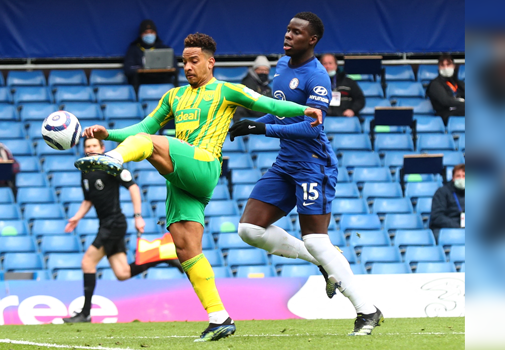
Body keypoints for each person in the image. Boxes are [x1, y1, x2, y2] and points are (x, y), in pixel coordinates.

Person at [74, 33, 322, 341]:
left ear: (210, 61)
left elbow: (268, 103)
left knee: (148, 145)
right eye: (184, 62)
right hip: (180, 174)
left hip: (203, 164)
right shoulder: (173, 97)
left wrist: (304, 110)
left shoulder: (227, 90)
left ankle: (113, 161)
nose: (188, 67)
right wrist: (107, 132)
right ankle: (219, 318)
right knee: (184, 247)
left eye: (194, 61)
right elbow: (143, 128)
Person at [228, 12, 382, 336]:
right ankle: (320, 261)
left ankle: (366, 311)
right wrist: (251, 116)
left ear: (312, 40)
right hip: (286, 163)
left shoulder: (318, 76)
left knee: (316, 238)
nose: (287, 36)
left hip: (313, 163)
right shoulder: (282, 68)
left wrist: (262, 129)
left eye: (296, 33)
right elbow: (281, 107)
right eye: (287, 30)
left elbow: (313, 127)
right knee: (249, 230)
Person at [62, 137, 182, 323]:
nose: (91, 148)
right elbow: (88, 200)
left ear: (102, 148)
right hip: (106, 224)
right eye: (88, 146)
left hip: (114, 224)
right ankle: (163, 256)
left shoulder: (112, 166)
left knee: (87, 263)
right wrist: (77, 218)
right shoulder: (85, 171)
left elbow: (133, 188)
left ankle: (85, 314)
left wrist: (138, 216)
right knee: (122, 273)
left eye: (95, 145)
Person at [123, 19, 177, 87]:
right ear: (141, 34)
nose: (149, 35)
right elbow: (128, 69)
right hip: (142, 83)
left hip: (163, 81)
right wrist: (140, 69)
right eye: (146, 32)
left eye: (151, 32)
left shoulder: (165, 49)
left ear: (155, 33)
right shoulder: (133, 49)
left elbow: (175, 68)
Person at [430, 164, 465, 241]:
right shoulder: (442, 192)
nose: (461, 179)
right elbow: (437, 216)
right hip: (446, 228)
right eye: (458, 176)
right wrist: (457, 226)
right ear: (453, 178)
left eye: (464, 176)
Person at [427, 54, 465, 125]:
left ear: (454, 66)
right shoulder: (435, 84)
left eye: (448, 65)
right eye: (442, 65)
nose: (445, 68)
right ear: (439, 67)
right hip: (444, 115)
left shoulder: (458, 83)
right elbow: (446, 101)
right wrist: (463, 103)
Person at [234, 55, 273, 121]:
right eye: (261, 70)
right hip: (247, 113)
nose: (263, 72)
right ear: (255, 70)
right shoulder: (248, 82)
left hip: (260, 112)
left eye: (266, 70)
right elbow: (249, 102)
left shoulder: (265, 85)